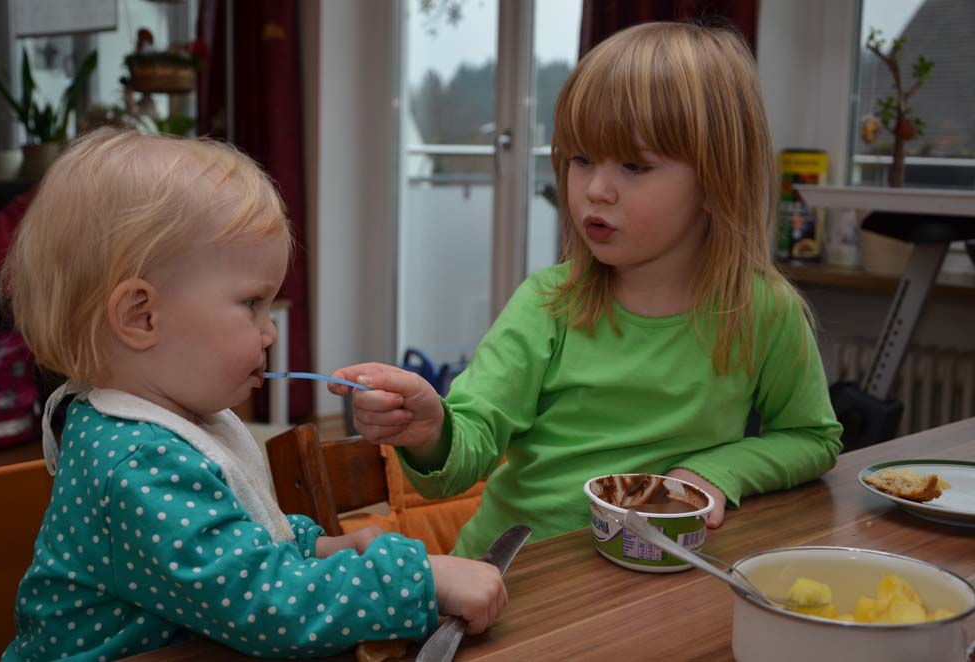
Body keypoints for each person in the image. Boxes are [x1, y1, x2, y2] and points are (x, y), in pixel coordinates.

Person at [330, 22, 843, 559]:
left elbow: (813, 438)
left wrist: (715, 472)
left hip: (652, 581)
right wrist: (431, 430)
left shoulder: (764, 310)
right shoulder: (547, 304)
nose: (595, 189)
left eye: (634, 165)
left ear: (717, 182)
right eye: (581, 159)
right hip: (508, 577)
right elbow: (462, 458)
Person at [0, 129, 506, 660]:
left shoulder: (172, 424)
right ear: (141, 317)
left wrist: (321, 546)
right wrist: (418, 581)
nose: (271, 332)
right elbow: (268, 606)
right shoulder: (136, 462)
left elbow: (239, 538)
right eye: (251, 304)